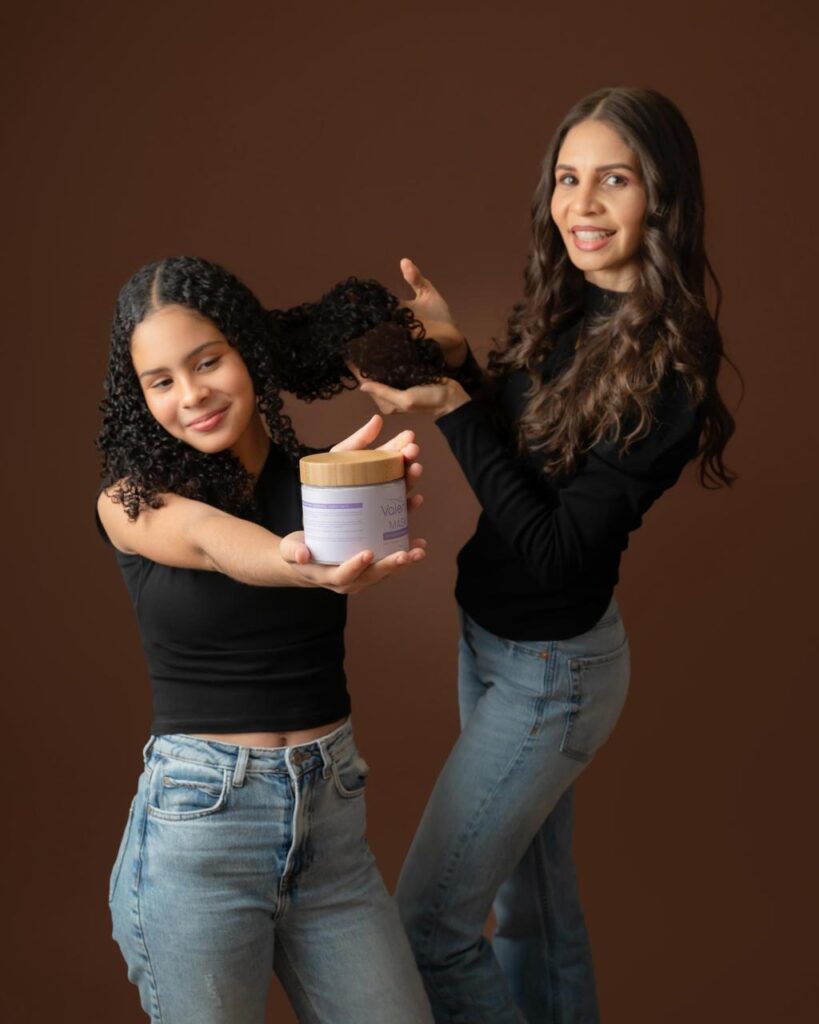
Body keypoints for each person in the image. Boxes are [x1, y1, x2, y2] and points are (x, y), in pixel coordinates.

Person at [355, 87, 736, 1023]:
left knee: (431, 927)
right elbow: (530, 457)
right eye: (568, 179)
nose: (582, 204)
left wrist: (451, 406)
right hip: (488, 639)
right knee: (531, 909)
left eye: (615, 180)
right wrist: (460, 366)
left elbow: (558, 550)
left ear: (662, 198)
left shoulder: (672, 368)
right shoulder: (569, 307)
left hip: (550, 674)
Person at [95, 256, 434, 1023]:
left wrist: (370, 490)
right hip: (201, 835)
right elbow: (217, 542)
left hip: (332, 826)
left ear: (246, 347)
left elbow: (362, 516)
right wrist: (300, 562)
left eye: (207, 361)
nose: (192, 396)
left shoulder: (317, 477)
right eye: (161, 381)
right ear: (139, 395)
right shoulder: (130, 501)